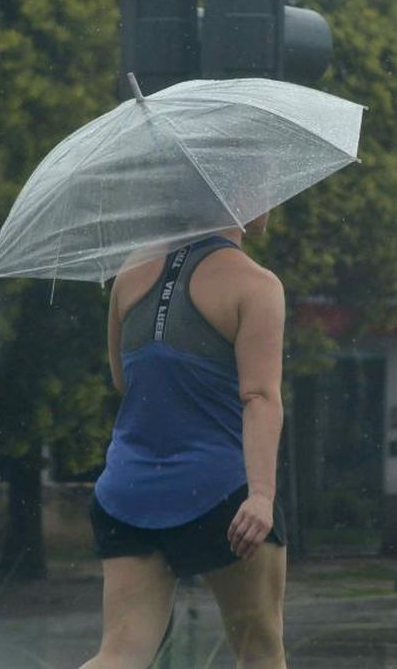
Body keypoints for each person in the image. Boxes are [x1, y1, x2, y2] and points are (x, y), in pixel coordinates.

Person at [80, 212, 288, 669]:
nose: (270, 200)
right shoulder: (255, 286)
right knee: (260, 653)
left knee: (120, 653)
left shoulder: (129, 273)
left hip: (127, 494)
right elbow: (259, 397)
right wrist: (262, 496)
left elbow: (123, 380)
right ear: (235, 191)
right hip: (224, 495)